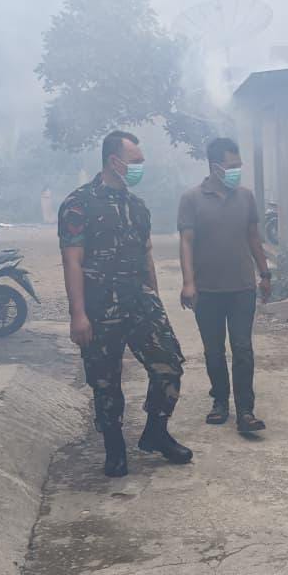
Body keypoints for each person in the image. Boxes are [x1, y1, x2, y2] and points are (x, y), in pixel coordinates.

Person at [59, 130, 192, 477]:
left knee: (169, 365)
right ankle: (115, 449)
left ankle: (156, 433)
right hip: (99, 307)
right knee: (105, 382)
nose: (140, 167)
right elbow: (72, 260)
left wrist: (155, 297)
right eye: (135, 162)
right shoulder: (78, 204)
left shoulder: (138, 207)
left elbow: (147, 254)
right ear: (114, 161)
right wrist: (78, 315)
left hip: (139, 301)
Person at [178, 137, 273, 435]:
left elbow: (254, 237)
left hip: (242, 287)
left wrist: (265, 273)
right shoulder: (191, 199)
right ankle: (220, 401)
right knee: (214, 350)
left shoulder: (246, 197)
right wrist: (188, 283)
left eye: (239, 166)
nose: (237, 171)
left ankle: (246, 410)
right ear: (215, 166)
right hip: (207, 290)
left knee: (243, 348)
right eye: (232, 166)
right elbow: (186, 242)